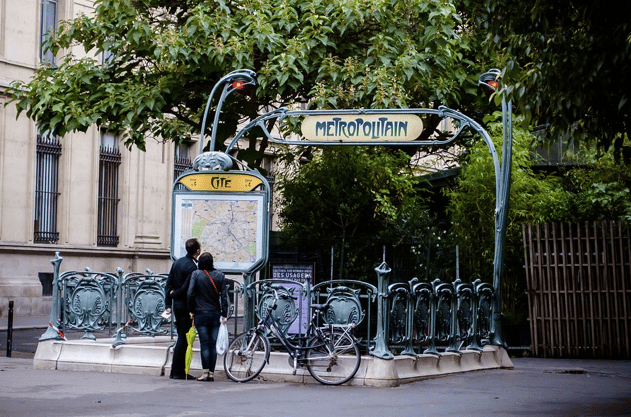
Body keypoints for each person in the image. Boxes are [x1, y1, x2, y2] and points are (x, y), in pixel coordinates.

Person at [187, 252, 229, 382]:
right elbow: (224, 297)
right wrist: (224, 314)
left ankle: (205, 374)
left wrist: (191, 310)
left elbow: (190, 293)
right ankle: (211, 373)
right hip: (215, 313)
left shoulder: (196, 274)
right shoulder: (220, 275)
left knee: (204, 344)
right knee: (213, 344)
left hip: (200, 313)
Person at [165, 238, 200, 380]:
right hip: (186, 306)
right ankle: (177, 371)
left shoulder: (177, 262)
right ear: (197, 251)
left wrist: (169, 302)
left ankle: (177, 370)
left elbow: (168, 284)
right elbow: (187, 288)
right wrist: (176, 294)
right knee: (183, 339)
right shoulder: (192, 267)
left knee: (181, 336)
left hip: (176, 306)